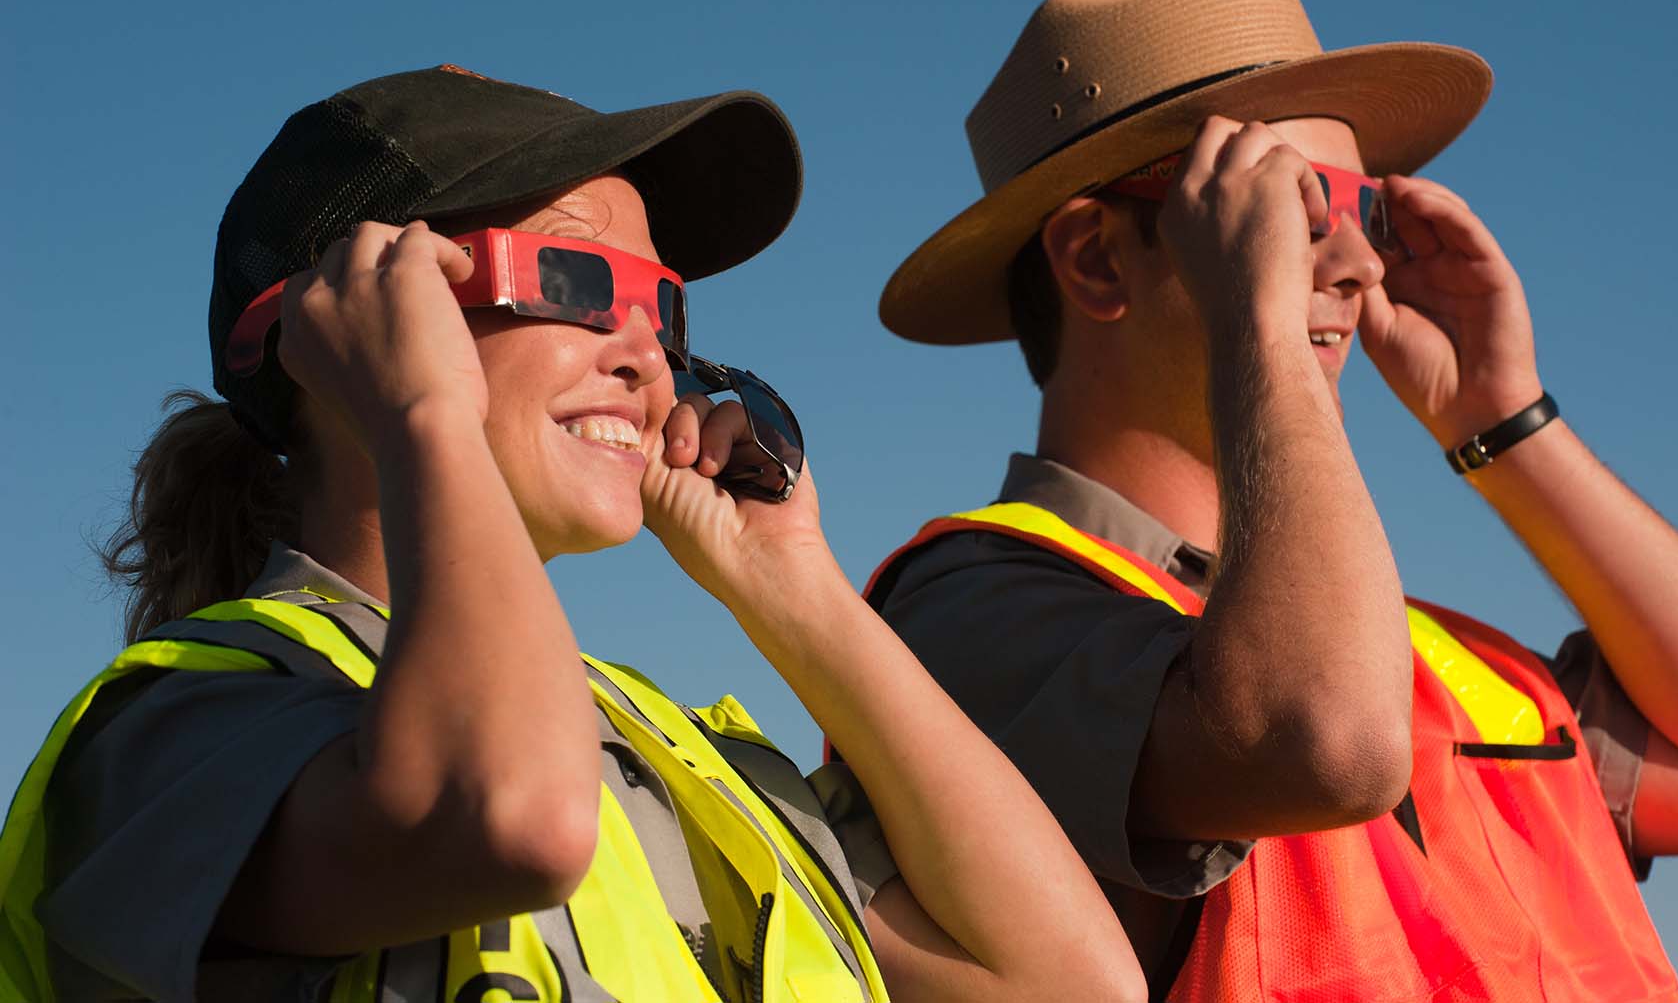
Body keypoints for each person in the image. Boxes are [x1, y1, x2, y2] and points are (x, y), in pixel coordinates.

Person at [0, 65, 1145, 1003]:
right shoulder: (185, 725)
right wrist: (423, 414)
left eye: (664, 308)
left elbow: (1070, 981)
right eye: (572, 279)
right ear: (346, 322)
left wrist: (796, 590)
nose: (649, 358)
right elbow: (512, 818)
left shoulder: (681, 758)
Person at [865, 0, 1678, 1001]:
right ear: (1096, 259)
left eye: (1370, 212)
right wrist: (1259, 323)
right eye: (1292, 202)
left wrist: (1501, 419)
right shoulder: (972, 611)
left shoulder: (1438, 655)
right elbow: (1328, 743)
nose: (1360, 261)